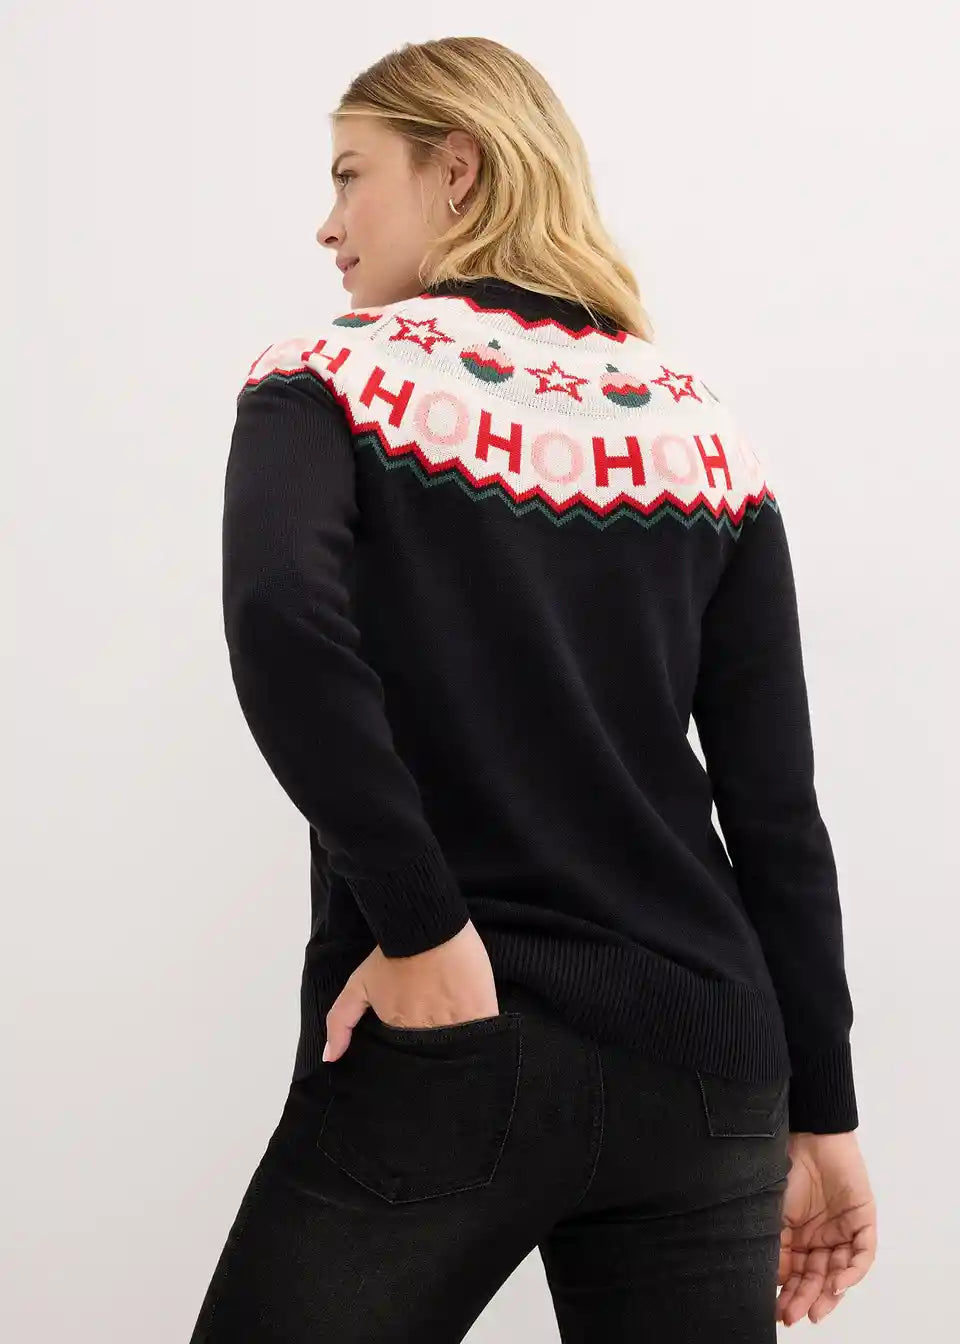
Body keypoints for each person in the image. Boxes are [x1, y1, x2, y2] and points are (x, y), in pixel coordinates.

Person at [189, 35, 877, 1343]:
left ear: (457, 168)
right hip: (710, 1066)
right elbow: (776, 809)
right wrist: (824, 1112)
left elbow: (282, 620)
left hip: (457, 1035)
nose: (328, 225)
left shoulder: (328, 376)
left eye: (350, 175)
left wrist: (421, 928)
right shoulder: (702, 433)